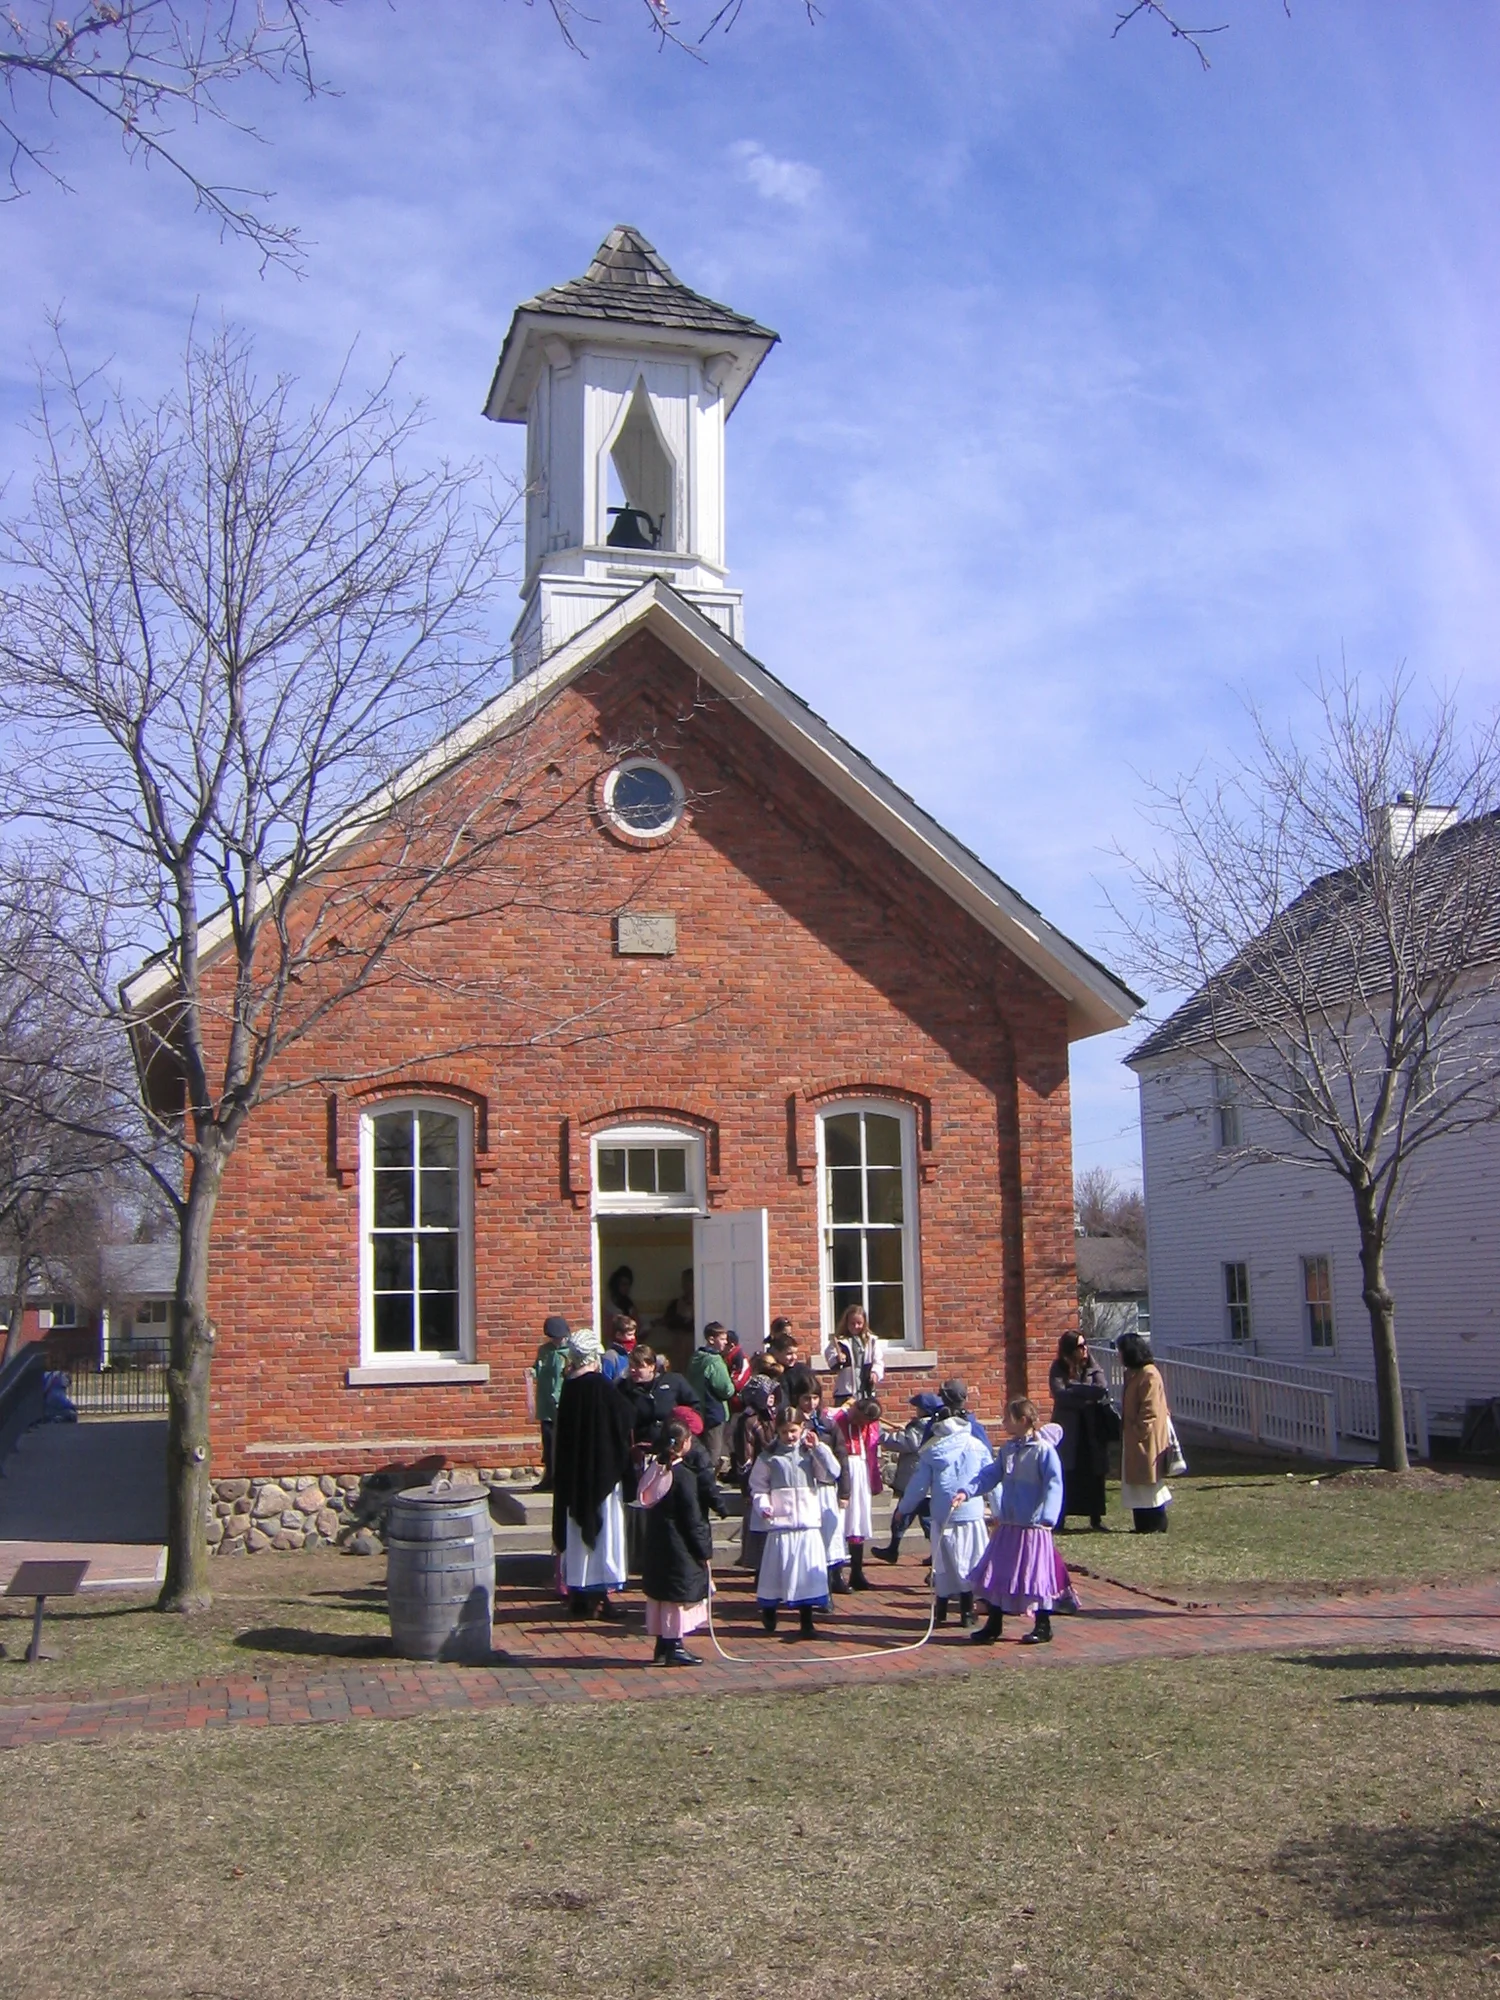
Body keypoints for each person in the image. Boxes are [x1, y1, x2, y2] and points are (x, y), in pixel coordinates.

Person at [961, 1396, 1065, 1645]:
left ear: (1022, 1420)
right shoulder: (1008, 1450)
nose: (1003, 1422)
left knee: (1035, 1574)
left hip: (1033, 1526)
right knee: (999, 1573)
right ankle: (993, 1624)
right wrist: (967, 1490)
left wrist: (1048, 1515)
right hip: (1009, 1525)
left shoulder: (1043, 1451)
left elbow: (1054, 1484)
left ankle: (1043, 1624)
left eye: (1007, 1417)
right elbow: (991, 1474)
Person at [550, 1328, 634, 1619]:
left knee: (577, 1536)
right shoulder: (601, 1387)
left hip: (574, 1479)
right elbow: (625, 1417)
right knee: (604, 1534)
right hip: (601, 1475)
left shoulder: (570, 1389)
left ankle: (579, 1594)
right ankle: (598, 1597)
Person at [893, 1393, 992, 1626]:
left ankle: (942, 1608)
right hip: (970, 1513)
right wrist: (999, 1508)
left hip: (941, 1513)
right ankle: (967, 1610)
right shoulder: (976, 1446)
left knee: (943, 1563)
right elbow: (991, 1477)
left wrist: (904, 1508)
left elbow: (918, 1486)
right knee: (969, 1561)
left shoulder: (931, 1451)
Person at [748, 1408, 839, 1638]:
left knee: (806, 1575)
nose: (790, 1436)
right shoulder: (769, 1457)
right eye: (785, 1431)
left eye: (794, 1431)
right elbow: (758, 1487)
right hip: (782, 1524)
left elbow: (831, 1473)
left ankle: (806, 1622)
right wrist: (764, 1505)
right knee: (777, 1572)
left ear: (802, 1429)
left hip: (808, 1523)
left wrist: (818, 1448)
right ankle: (769, 1610)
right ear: (777, 1431)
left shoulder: (810, 1453)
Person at [636, 1419, 714, 1666]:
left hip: (658, 1542)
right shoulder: (683, 1476)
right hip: (679, 1545)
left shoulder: (654, 1470)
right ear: (686, 1443)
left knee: (661, 1596)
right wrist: (703, 1550)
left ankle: (662, 1643)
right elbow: (693, 1518)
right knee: (675, 1599)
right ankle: (674, 1645)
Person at [1048, 1331, 1113, 1532]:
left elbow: (1101, 1388)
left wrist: (1074, 1388)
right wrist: (1085, 1394)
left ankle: (1096, 1519)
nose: (1084, 1349)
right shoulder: (1058, 1368)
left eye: (1085, 1345)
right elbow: (1060, 1394)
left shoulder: (1092, 1364)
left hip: (1091, 1428)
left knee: (1094, 1471)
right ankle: (1061, 1519)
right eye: (1080, 1346)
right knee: (1067, 1472)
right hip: (1069, 1428)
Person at [793, 1376, 851, 1593]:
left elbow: (841, 1458)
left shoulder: (827, 1424)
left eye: (815, 1398)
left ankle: (836, 1575)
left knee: (832, 1534)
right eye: (806, 1398)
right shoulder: (793, 1424)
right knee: (813, 1539)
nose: (811, 1403)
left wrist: (845, 1490)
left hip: (827, 1487)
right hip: (806, 1488)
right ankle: (818, 1585)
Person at [872, 1391, 944, 1562]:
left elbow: (902, 1442)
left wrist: (879, 1432)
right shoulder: (927, 1425)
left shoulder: (923, 1428)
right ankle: (893, 1549)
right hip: (919, 1484)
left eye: (918, 1408)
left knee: (919, 1521)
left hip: (917, 1484)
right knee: (903, 1520)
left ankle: (939, 1555)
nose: (916, 1410)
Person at [1118, 1331, 1174, 1533]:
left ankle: (1157, 1524)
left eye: (1121, 1351)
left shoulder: (1149, 1374)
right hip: (1134, 1438)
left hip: (1146, 1439)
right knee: (1136, 1486)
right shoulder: (1135, 1374)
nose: (1119, 1356)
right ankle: (1142, 1524)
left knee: (1149, 1485)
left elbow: (1150, 1411)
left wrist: (1138, 1431)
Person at [832, 1396, 883, 1590]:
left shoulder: (870, 1426)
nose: (857, 1423)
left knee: (857, 1521)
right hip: (842, 1467)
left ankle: (856, 1571)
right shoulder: (837, 1417)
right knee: (840, 1521)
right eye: (857, 1417)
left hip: (860, 1469)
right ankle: (835, 1574)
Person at [729, 1378, 778, 1572]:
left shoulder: (775, 1417)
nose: (772, 1398)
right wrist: (746, 1486)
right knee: (756, 1521)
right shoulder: (748, 1420)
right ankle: (755, 1563)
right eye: (768, 1394)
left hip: (776, 1477)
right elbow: (744, 1456)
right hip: (757, 1477)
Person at [687, 1322, 737, 1468]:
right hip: (713, 1412)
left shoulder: (696, 1357)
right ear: (711, 1339)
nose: (725, 1342)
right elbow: (726, 1389)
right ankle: (708, 1485)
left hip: (697, 1410)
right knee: (713, 1453)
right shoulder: (715, 1361)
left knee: (699, 1451)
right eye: (722, 1339)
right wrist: (732, 1384)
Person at [531, 1314, 571, 1492]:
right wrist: (531, 1372)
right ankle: (549, 1477)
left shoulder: (571, 1353)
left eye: (561, 1337)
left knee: (563, 1443)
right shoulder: (545, 1351)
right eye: (555, 1337)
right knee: (548, 1443)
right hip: (547, 1406)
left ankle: (563, 1479)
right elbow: (539, 1370)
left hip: (564, 1405)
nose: (558, 1341)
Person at [825, 1303, 885, 1407]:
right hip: (846, 1390)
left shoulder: (871, 1341)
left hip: (865, 1389)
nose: (856, 1326)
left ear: (864, 1323)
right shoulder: (840, 1341)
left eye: (859, 1323)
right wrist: (838, 1359)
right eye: (852, 1323)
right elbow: (830, 1358)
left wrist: (875, 1372)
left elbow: (878, 1360)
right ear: (846, 1323)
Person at [601, 1315, 638, 1384]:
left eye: (634, 1334)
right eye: (629, 1335)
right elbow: (606, 1383)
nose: (633, 1338)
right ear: (618, 1335)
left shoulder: (634, 1352)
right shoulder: (610, 1356)